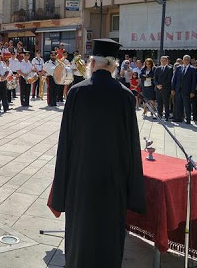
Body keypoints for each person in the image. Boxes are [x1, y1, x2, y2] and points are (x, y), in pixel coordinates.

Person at [49, 38, 145, 268]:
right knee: (108, 239)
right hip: (113, 181)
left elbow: (65, 145)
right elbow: (132, 147)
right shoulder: (125, 96)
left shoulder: (76, 93)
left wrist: (60, 193)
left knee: (81, 236)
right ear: (113, 66)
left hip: (80, 180)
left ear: (92, 64)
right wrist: (134, 192)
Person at [171, 55, 197, 124]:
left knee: (187, 105)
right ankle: (179, 118)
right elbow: (174, 79)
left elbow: (194, 82)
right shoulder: (179, 68)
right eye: (185, 59)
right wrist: (173, 88)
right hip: (178, 90)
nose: (186, 61)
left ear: (189, 61)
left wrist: (192, 91)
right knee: (178, 105)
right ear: (183, 60)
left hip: (187, 91)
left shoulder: (193, 69)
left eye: (187, 60)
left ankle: (188, 119)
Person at [154, 56, 173, 121]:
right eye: (162, 60)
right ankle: (159, 115)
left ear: (167, 61)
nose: (163, 62)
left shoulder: (170, 68)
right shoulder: (157, 68)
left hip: (166, 88)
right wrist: (157, 85)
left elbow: (169, 79)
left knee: (166, 102)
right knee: (159, 102)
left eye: (165, 60)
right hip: (158, 88)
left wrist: (162, 85)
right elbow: (155, 78)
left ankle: (166, 116)